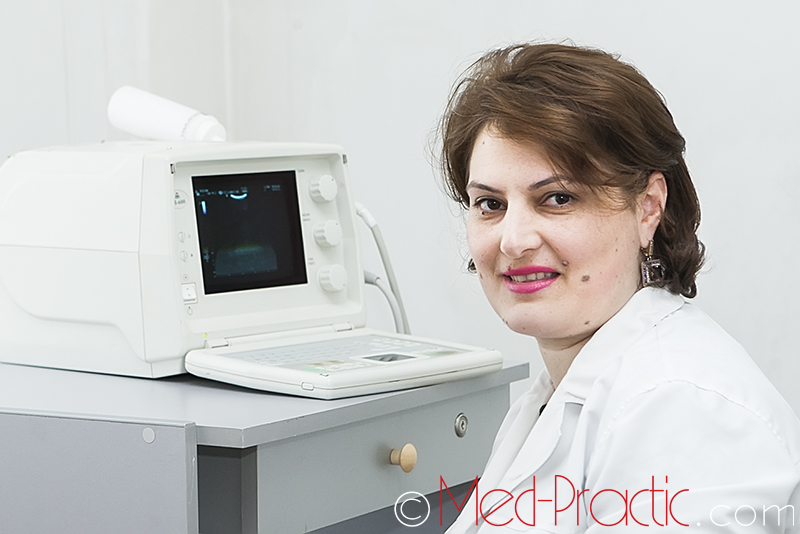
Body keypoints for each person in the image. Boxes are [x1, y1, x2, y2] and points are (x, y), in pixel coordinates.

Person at [438, 43, 800, 533]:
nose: (514, 240)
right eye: (490, 204)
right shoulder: (558, 394)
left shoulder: (680, 407)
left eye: (557, 198)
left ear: (648, 208)